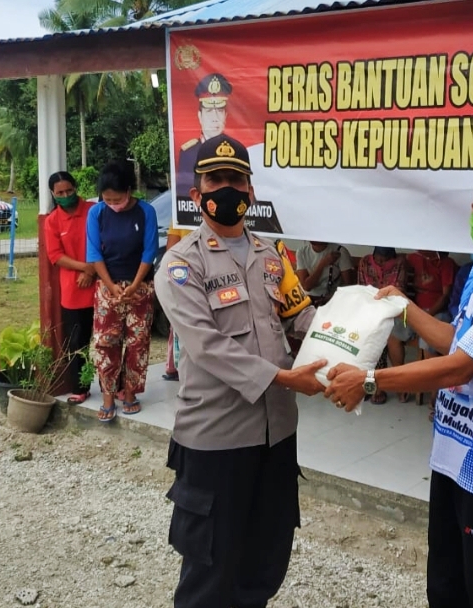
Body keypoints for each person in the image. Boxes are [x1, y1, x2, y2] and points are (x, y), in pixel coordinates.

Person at [327, 160, 473, 608]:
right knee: (446, 584)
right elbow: (458, 340)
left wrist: (370, 380)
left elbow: (460, 367)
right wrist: (405, 307)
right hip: (452, 453)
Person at [155, 134, 327, 608]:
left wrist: (357, 325)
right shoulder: (181, 265)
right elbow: (207, 347)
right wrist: (284, 378)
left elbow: (303, 317)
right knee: (210, 567)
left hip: (276, 433)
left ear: (251, 191)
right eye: (216, 180)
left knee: (265, 558)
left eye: (237, 179)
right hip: (217, 437)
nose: (228, 188)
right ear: (197, 194)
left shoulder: (273, 257)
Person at [86, 162, 158, 422]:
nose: (112, 204)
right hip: (108, 288)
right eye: (107, 200)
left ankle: (129, 393)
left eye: (117, 199)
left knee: (138, 343)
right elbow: (94, 252)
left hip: (141, 287)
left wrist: (135, 284)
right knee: (106, 343)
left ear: (129, 191)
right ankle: (107, 397)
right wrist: (110, 285)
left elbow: (150, 251)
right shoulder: (96, 213)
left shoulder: (146, 212)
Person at [43, 171, 96, 403]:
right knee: (76, 342)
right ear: (53, 194)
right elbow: (55, 255)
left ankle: (116, 386)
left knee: (109, 340)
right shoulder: (52, 221)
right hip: (73, 291)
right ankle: (81, 387)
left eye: (69, 190)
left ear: (76, 188)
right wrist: (85, 268)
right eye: (60, 193)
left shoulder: (93, 211)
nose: (65, 196)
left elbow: (104, 242)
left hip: (102, 284)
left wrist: (92, 270)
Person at [357, 246, 412, 403]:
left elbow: (399, 291)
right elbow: (361, 289)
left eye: (385, 260)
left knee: (387, 333)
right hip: (370, 309)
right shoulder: (365, 262)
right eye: (378, 260)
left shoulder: (400, 263)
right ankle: (374, 385)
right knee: (369, 334)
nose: (381, 263)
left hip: (394, 311)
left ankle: (398, 383)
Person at [176, 73, 232, 200]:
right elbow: (183, 197)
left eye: (219, 111)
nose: (215, 118)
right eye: (209, 111)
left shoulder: (236, 150)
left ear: (225, 115)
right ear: (200, 116)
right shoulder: (188, 153)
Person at [163, 226, 194, 382]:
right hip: (186, 279)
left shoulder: (180, 218)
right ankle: (178, 368)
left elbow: (171, 251)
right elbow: (171, 252)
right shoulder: (179, 217)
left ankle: (176, 368)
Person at [296, 241, 354, 306]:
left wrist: (332, 298)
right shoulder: (302, 252)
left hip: (333, 299)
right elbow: (306, 286)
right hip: (308, 299)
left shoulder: (340, 251)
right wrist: (322, 264)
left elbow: (349, 286)